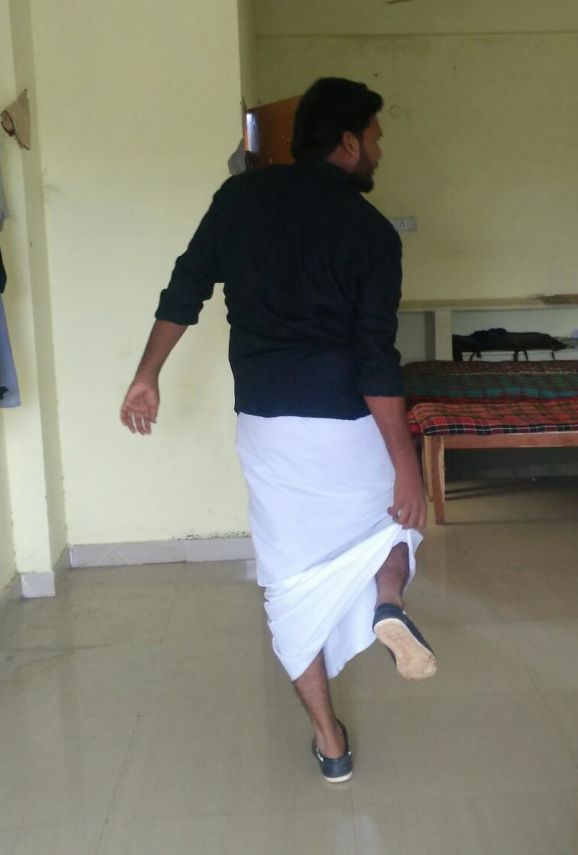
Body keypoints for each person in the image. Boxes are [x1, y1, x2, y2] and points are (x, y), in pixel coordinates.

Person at [120, 77, 436, 784]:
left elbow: (186, 287)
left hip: (270, 426)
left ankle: (330, 742)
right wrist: (406, 464)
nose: (379, 150)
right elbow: (375, 357)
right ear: (348, 141)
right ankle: (387, 601)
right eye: (375, 136)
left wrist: (147, 374)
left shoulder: (240, 200)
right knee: (394, 528)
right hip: (349, 424)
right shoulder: (372, 232)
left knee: (289, 584)